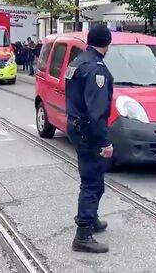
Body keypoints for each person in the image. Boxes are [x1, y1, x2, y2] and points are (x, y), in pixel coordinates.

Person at [64, 24, 114, 254]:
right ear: (107, 43)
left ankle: (91, 217)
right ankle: (83, 233)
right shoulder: (96, 69)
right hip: (88, 131)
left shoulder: (77, 61)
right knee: (92, 181)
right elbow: (96, 111)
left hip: (75, 125)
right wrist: (105, 142)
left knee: (94, 176)